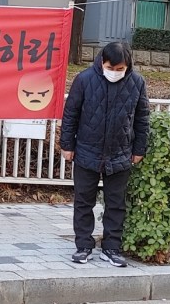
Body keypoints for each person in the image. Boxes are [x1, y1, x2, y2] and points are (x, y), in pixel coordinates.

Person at [61, 41, 149, 267]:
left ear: (128, 66)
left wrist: (139, 149)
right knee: (84, 202)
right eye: (111, 68)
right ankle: (83, 246)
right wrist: (67, 145)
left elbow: (142, 118)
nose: (115, 73)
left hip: (120, 153)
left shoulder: (137, 82)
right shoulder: (84, 79)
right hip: (87, 151)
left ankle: (111, 248)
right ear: (102, 62)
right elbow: (70, 114)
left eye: (120, 69)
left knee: (116, 204)